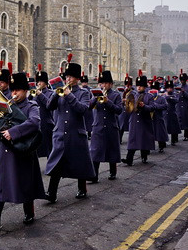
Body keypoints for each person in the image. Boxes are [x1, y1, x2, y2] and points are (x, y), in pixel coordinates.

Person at [0, 72, 45, 229]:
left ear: (26, 90)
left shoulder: (32, 106)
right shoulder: (7, 106)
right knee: (0, 183)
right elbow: (1, 129)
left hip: (23, 150)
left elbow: (34, 123)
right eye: (13, 90)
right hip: (6, 150)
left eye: (18, 90)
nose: (14, 93)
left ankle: (29, 213)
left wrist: (13, 132)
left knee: (25, 182)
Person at [44, 62, 96, 202]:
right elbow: (49, 106)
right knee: (56, 163)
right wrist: (56, 94)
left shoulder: (83, 93)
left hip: (76, 134)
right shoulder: (61, 91)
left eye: (71, 77)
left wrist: (68, 95)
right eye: (67, 76)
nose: (68, 79)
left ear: (78, 78)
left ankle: (82, 188)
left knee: (80, 163)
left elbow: (82, 109)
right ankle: (51, 193)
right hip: (60, 133)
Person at [89, 69, 122, 181]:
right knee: (95, 151)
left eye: (105, 83)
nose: (103, 85)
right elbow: (89, 107)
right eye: (101, 83)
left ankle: (113, 172)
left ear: (110, 84)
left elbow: (119, 110)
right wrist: (94, 98)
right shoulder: (96, 94)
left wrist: (108, 101)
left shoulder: (116, 95)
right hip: (98, 125)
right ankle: (94, 176)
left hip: (111, 126)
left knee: (111, 150)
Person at [121, 71, 155, 165]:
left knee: (143, 139)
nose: (138, 87)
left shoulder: (149, 96)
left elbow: (152, 107)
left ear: (144, 86)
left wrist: (144, 106)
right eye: (138, 85)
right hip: (134, 120)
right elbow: (129, 108)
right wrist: (125, 103)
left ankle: (144, 156)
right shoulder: (133, 95)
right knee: (132, 140)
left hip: (144, 121)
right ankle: (129, 159)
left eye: (141, 85)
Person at [33, 64, 54, 158]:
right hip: (37, 123)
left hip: (46, 123)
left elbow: (49, 104)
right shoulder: (35, 94)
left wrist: (40, 94)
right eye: (38, 81)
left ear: (45, 83)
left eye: (41, 81)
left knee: (49, 148)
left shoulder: (50, 93)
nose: (39, 83)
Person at [150, 81, 169, 153]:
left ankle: (161, 146)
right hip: (150, 118)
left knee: (159, 133)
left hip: (158, 117)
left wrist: (156, 105)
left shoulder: (161, 98)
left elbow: (165, 106)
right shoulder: (148, 97)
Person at [177, 71, 188, 141]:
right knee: (178, 122)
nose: (182, 81)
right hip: (178, 106)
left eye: (183, 80)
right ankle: (176, 137)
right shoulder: (178, 87)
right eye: (181, 80)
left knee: (186, 121)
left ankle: (186, 135)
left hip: (186, 106)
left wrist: (184, 92)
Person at [164, 78, 181, 146]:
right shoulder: (164, 94)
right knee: (165, 128)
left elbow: (176, 100)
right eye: (168, 88)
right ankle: (164, 141)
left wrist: (168, 97)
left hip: (172, 112)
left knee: (173, 128)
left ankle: (173, 140)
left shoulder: (175, 93)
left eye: (170, 88)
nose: (169, 89)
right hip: (165, 113)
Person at [119, 74, 133, 144]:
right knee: (121, 126)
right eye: (126, 85)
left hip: (130, 111)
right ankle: (119, 139)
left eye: (129, 85)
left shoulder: (133, 92)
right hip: (123, 110)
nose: (127, 86)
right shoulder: (122, 92)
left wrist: (127, 100)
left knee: (131, 127)